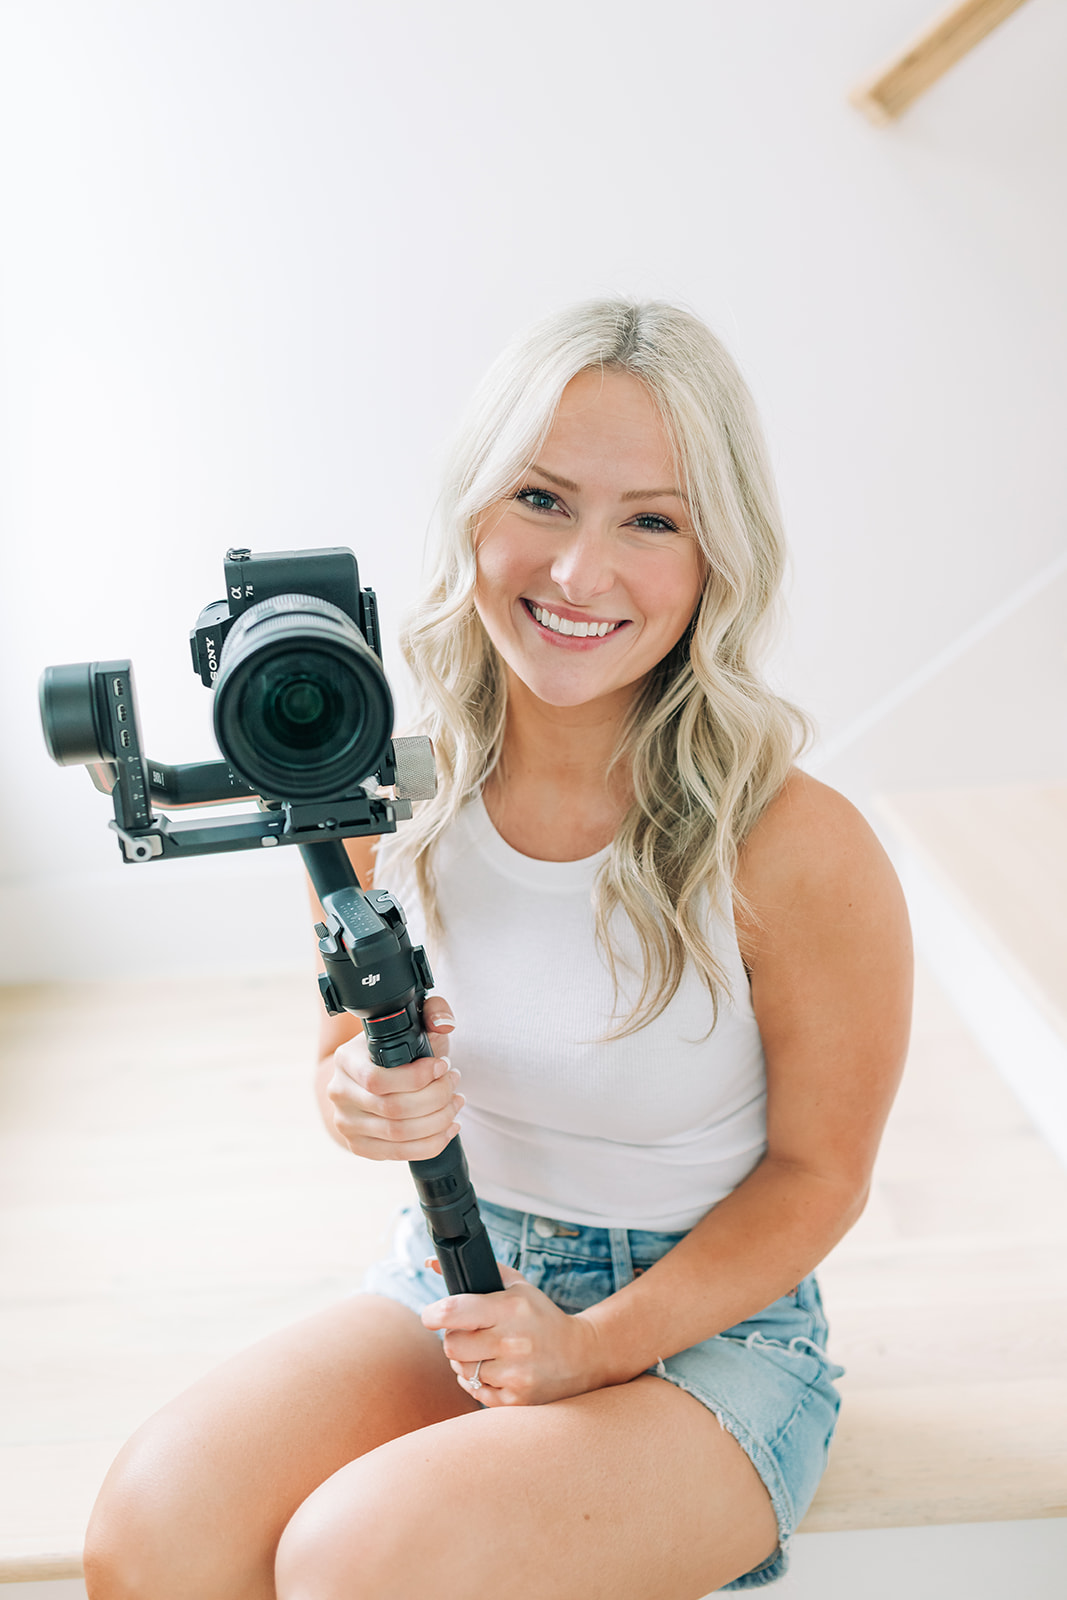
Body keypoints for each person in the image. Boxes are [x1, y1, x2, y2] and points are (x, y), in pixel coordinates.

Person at [84, 300, 912, 1598]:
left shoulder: (798, 848)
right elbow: (345, 1055)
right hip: (454, 1281)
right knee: (156, 1530)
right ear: (475, 511)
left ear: (717, 556)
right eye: (542, 498)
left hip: (708, 1338)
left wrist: (593, 1349)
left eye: (652, 518)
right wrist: (361, 1092)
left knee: (360, 1558)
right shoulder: (375, 789)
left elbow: (821, 1180)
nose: (581, 572)